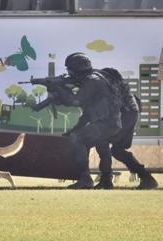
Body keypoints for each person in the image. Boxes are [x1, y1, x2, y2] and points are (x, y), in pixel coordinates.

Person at [54, 53, 122, 189]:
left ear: (78, 69)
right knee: (101, 146)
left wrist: (58, 88)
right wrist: (74, 129)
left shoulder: (92, 80)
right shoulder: (95, 78)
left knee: (78, 139)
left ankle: (85, 179)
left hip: (105, 123)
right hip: (109, 122)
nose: (69, 73)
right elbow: (87, 113)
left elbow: (75, 101)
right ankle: (106, 181)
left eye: (70, 70)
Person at [94, 68, 158, 189]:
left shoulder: (112, 89)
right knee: (118, 151)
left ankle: (106, 180)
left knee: (101, 141)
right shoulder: (123, 89)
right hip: (130, 117)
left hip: (124, 118)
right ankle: (147, 178)